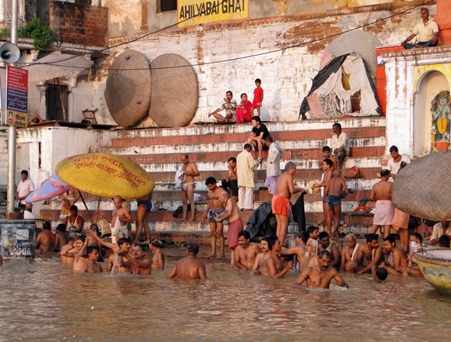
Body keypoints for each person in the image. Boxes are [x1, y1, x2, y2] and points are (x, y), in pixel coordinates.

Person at [272, 162, 305, 246]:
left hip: (275, 199)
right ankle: (281, 245)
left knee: (279, 224)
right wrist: (300, 189)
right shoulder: (289, 176)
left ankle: (277, 244)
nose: (295, 171)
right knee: (284, 224)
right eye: (295, 169)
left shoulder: (282, 176)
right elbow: (292, 190)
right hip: (281, 200)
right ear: (291, 169)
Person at [203, 177, 228, 258]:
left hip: (220, 212)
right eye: (208, 186)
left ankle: (222, 252)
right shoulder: (209, 192)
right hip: (211, 212)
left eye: (210, 186)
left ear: (215, 184)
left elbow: (226, 202)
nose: (209, 188)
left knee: (220, 232)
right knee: (213, 233)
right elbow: (209, 203)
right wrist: (205, 212)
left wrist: (225, 214)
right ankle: (213, 252)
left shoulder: (222, 191)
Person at [214, 193, 243, 264]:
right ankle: (232, 263)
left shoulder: (230, 200)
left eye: (220, 197)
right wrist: (222, 215)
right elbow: (227, 212)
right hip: (231, 224)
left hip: (236, 223)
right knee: (232, 245)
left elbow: (229, 212)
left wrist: (219, 219)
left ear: (224, 196)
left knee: (236, 244)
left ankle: (237, 262)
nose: (219, 199)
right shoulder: (226, 203)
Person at [391, 161, 410, 252]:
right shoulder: (398, 181)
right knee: (400, 227)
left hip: (405, 205)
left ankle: (406, 246)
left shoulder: (408, 182)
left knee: (404, 227)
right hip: (398, 205)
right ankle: (403, 245)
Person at [370, 169, 394, 238]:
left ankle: (370, 239)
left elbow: (371, 197)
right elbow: (394, 196)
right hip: (388, 204)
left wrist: (378, 199)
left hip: (379, 204)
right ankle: (386, 241)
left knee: (376, 223)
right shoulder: (391, 185)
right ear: (387, 176)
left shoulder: (375, 185)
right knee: (387, 224)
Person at [326, 169, 349, 237]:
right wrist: (342, 195)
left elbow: (326, 192)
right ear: (339, 174)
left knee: (334, 215)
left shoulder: (330, 180)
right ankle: (333, 233)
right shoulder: (341, 179)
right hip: (336, 198)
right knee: (338, 217)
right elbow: (346, 191)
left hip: (329, 198)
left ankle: (336, 232)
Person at [313, 158, 334, 235]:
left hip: (329, 195)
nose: (322, 166)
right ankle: (328, 230)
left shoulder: (330, 173)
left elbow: (327, 184)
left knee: (328, 214)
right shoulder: (324, 174)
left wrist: (318, 185)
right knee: (326, 214)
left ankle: (329, 231)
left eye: (324, 164)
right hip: (325, 195)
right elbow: (323, 183)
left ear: (328, 165)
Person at [236, 144, 257, 211]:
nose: (251, 150)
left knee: (241, 191)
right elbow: (252, 165)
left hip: (240, 175)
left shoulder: (238, 155)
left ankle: (241, 206)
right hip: (247, 174)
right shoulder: (248, 155)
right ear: (248, 148)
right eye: (250, 149)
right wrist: (256, 165)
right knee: (248, 191)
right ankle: (248, 207)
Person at [179, 154, 200, 222]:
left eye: (184, 160)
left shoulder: (192, 165)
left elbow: (197, 173)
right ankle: (184, 217)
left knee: (191, 201)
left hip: (190, 183)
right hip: (183, 184)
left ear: (187, 158)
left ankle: (192, 217)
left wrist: (189, 173)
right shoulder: (183, 166)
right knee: (184, 202)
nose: (184, 161)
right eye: (182, 160)